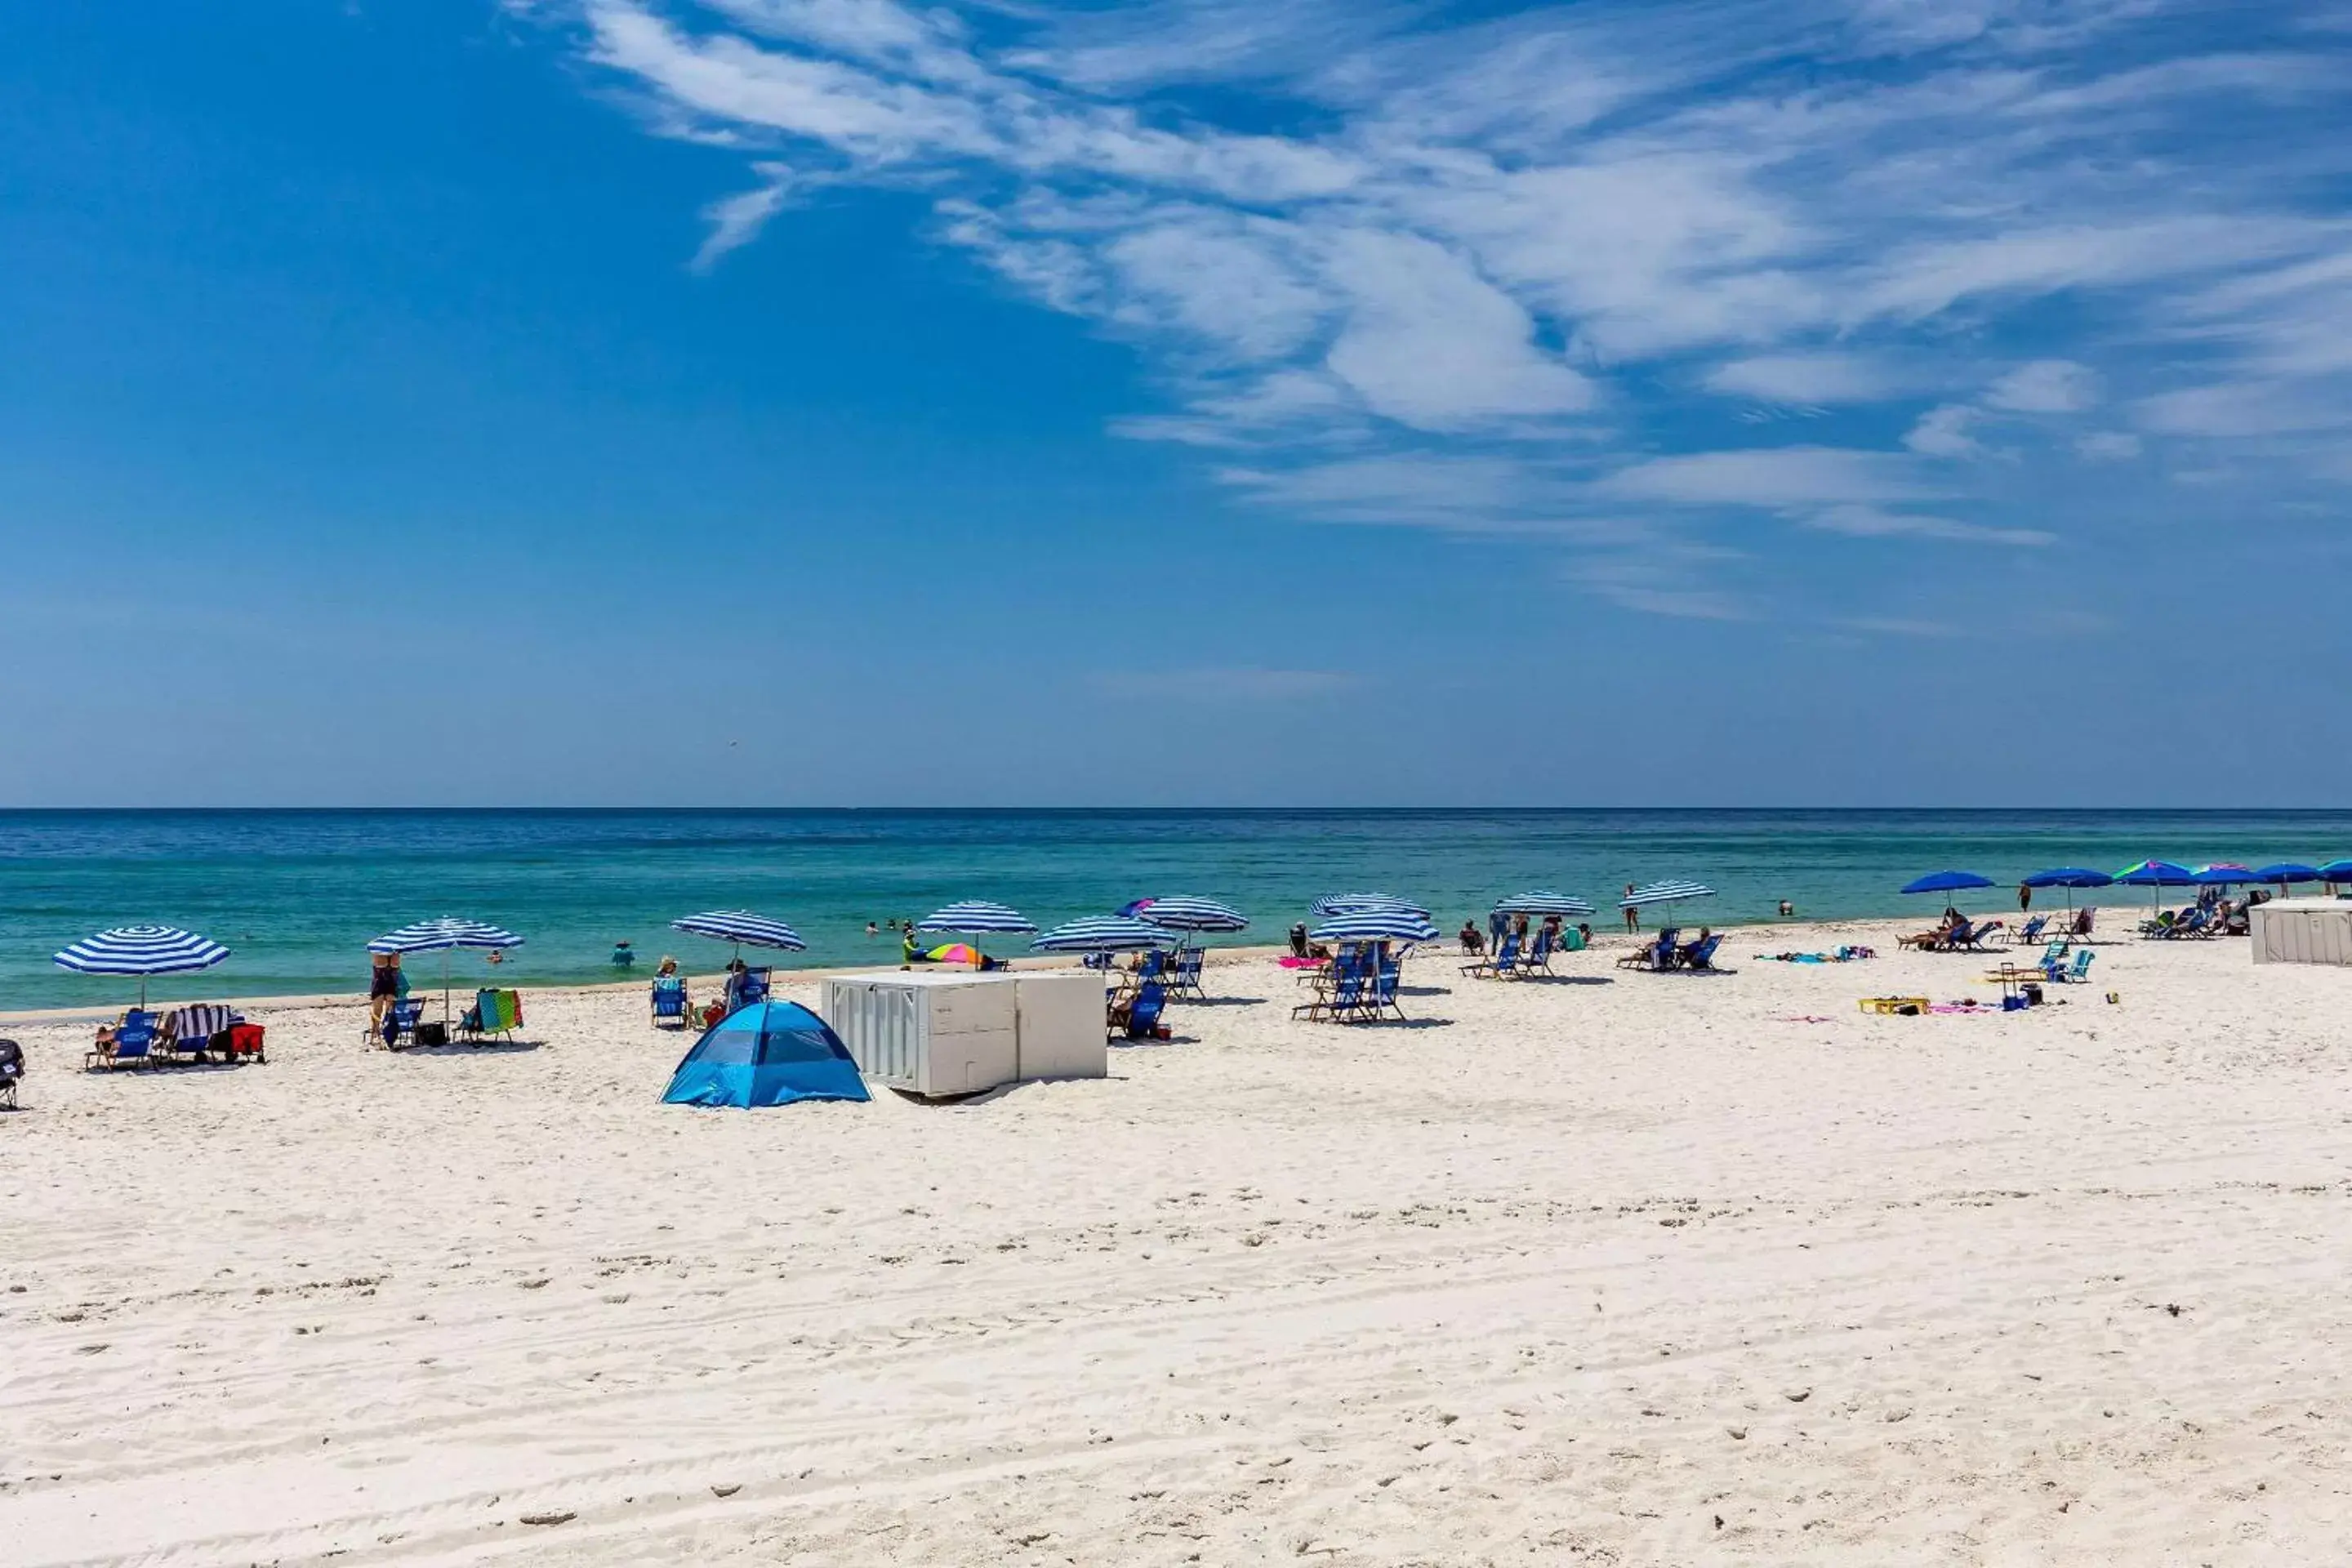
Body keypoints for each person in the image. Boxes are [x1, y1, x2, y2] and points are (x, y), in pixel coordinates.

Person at [369, 950, 403, 1031]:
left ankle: (378, 1030)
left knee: (383, 1012)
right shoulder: (396, 950)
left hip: (383, 983)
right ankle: (380, 1030)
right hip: (387, 984)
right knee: (386, 1012)